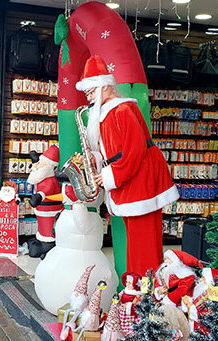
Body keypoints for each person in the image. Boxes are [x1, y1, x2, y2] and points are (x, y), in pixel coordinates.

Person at [75, 55, 179, 275]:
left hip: (141, 184)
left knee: (144, 246)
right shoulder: (109, 112)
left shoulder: (122, 111)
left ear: (104, 87)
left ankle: (145, 293)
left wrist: (109, 175)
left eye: (91, 91)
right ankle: (136, 289)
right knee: (137, 243)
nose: (89, 97)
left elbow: (134, 151)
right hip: (132, 183)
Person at [118, 272, 142, 337]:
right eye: (126, 282)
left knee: (130, 322)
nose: (127, 284)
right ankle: (121, 328)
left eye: (130, 283)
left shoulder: (137, 294)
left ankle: (130, 330)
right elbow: (120, 296)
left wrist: (128, 305)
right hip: (122, 309)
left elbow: (137, 305)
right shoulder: (125, 290)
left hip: (130, 312)